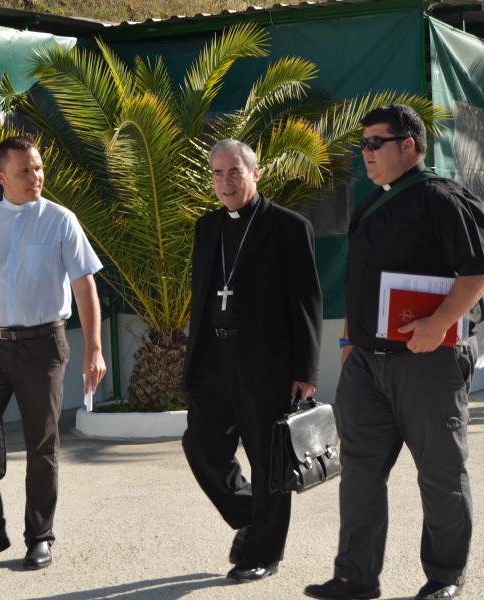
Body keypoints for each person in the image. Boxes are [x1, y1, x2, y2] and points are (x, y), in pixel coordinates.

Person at [305, 105, 484, 600]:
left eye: (375, 143)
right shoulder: (372, 203)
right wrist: (350, 341)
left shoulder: (443, 198)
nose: (365, 153)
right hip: (368, 363)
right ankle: (355, 577)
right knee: (361, 473)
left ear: (408, 146)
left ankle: (445, 576)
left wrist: (438, 323)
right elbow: (362, 281)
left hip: (428, 363)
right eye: (363, 144)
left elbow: (479, 271)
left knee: (439, 473)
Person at [0, 135, 106, 570]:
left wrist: (94, 349)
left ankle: (40, 536)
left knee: (42, 443)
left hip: (43, 345)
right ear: (1, 177)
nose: (36, 177)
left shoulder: (61, 220)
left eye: (38, 168)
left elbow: (84, 285)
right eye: (25, 171)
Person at [182, 138, 323, 583]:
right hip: (213, 359)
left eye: (234, 172)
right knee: (200, 445)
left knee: (269, 460)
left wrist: (307, 371)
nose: (225, 181)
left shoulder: (288, 227)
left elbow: (306, 302)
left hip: (267, 363)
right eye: (218, 173)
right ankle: (249, 514)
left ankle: (263, 552)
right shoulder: (207, 227)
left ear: (255, 174)